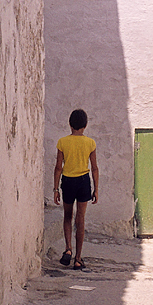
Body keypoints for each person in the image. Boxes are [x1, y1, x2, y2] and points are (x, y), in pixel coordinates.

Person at [54, 109, 99, 270]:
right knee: (80, 219)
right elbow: (94, 168)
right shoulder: (90, 143)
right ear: (85, 125)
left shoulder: (62, 142)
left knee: (67, 216)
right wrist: (96, 189)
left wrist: (55, 189)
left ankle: (68, 249)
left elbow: (58, 167)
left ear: (70, 124)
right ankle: (78, 259)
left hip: (67, 181)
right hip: (83, 181)